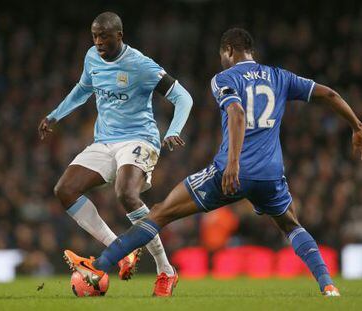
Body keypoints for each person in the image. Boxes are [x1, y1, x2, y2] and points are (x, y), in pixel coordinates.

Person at [63, 28, 362, 297]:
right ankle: (328, 285)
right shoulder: (280, 76)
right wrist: (356, 126)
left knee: (159, 213)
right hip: (271, 176)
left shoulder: (224, 78)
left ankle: (100, 264)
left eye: (222, 55)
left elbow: (237, 114)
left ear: (229, 51)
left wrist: (233, 163)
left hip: (229, 173)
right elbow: (331, 94)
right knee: (291, 226)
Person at [38, 12, 193, 296]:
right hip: (105, 141)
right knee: (65, 189)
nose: (98, 42)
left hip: (140, 139)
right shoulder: (92, 57)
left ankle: (166, 271)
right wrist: (55, 115)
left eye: (104, 36)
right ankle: (120, 252)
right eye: (95, 36)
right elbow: (83, 90)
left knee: (126, 193)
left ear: (119, 36)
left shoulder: (140, 65)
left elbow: (183, 96)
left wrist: (174, 130)